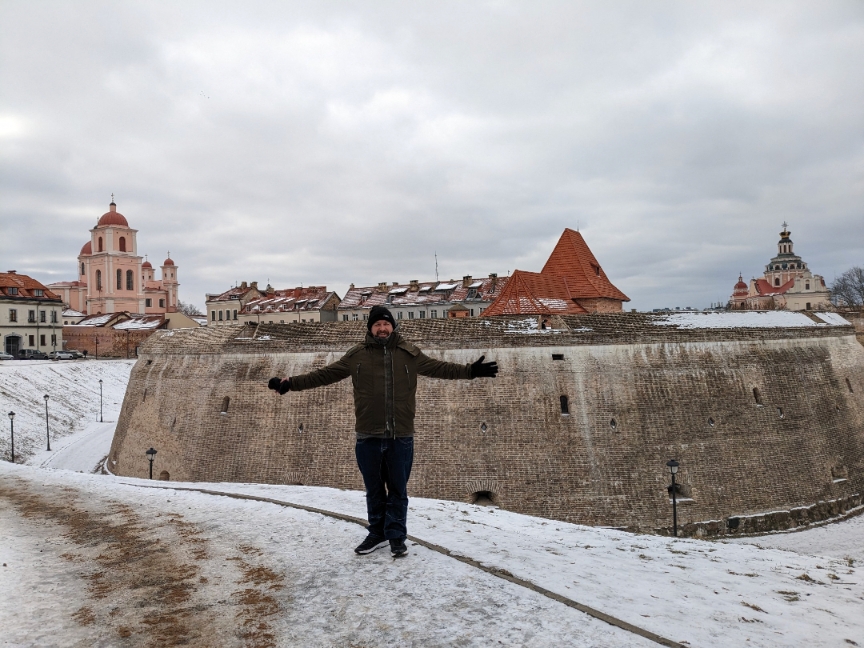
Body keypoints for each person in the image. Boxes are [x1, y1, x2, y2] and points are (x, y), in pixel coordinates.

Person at [268, 304, 498, 557]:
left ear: (393, 326)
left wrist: (470, 371)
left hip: (401, 436)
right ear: (370, 328)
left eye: (386, 324)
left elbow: (440, 368)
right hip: (368, 435)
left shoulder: (409, 354)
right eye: (377, 324)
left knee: (398, 491)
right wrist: (290, 384)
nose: (382, 328)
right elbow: (324, 375)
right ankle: (377, 533)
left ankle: (397, 537)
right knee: (375, 490)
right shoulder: (356, 355)